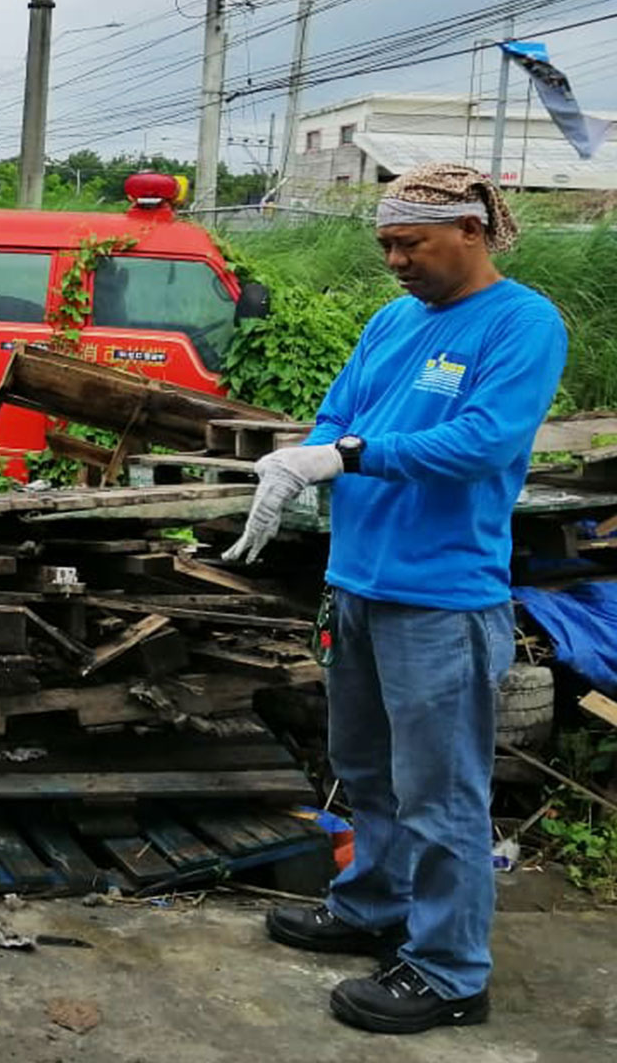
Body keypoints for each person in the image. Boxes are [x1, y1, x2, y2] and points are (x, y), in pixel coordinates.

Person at [223, 163, 566, 1036]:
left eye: (411, 242)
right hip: (360, 584)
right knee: (367, 771)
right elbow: (339, 413)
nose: (396, 259)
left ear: (472, 231)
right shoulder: (391, 321)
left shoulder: (522, 323)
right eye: (385, 243)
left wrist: (350, 456)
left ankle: (451, 970)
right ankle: (373, 905)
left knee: (441, 792)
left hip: (442, 598)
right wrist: (297, 461)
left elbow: (485, 440)